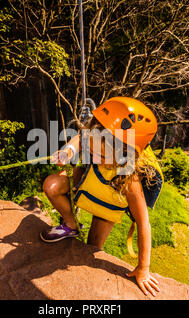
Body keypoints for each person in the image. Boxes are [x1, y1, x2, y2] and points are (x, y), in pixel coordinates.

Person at [39, 97, 164, 296]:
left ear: (126, 154)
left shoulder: (130, 180)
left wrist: (143, 268)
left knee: (90, 250)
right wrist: (69, 150)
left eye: (103, 157)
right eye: (93, 150)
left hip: (105, 210)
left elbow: (143, 223)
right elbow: (81, 137)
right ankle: (70, 225)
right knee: (51, 185)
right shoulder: (98, 139)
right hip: (86, 187)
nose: (94, 158)